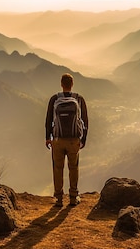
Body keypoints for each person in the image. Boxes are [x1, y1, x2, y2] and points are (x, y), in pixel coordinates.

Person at [45, 73, 88, 207]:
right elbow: (85, 120)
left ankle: (58, 199)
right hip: (73, 140)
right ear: (72, 84)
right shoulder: (79, 99)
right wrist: (83, 139)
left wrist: (48, 138)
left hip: (57, 140)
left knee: (58, 168)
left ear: (61, 84)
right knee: (73, 168)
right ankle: (73, 198)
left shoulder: (54, 99)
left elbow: (48, 120)